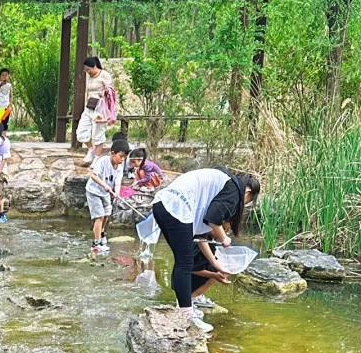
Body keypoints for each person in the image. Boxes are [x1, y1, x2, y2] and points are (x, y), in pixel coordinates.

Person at [150, 169, 261, 333]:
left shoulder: (222, 185)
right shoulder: (235, 189)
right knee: (185, 263)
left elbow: (200, 236)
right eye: (248, 200)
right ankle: (187, 314)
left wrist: (216, 264)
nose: (243, 203)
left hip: (163, 204)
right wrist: (224, 239)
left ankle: (184, 306)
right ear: (248, 192)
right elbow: (213, 218)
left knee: (183, 261)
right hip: (177, 205)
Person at [86, 133, 129, 256]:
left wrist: (116, 191)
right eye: (120, 156)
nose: (122, 159)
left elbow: (117, 182)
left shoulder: (120, 167)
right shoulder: (103, 161)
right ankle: (96, 243)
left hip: (106, 193)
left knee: (106, 214)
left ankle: (101, 232)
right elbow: (93, 175)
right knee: (99, 216)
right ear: (113, 153)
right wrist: (104, 185)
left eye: (124, 157)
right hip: (94, 191)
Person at [77, 55, 116, 157]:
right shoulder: (90, 77)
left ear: (94, 66)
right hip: (89, 106)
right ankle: (91, 149)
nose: (87, 72)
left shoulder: (104, 75)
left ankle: (97, 158)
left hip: (100, 109)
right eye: (86, 70)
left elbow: (111, 92)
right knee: (81, 132)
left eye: (88, 69)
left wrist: (105, 93)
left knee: (98, 133)